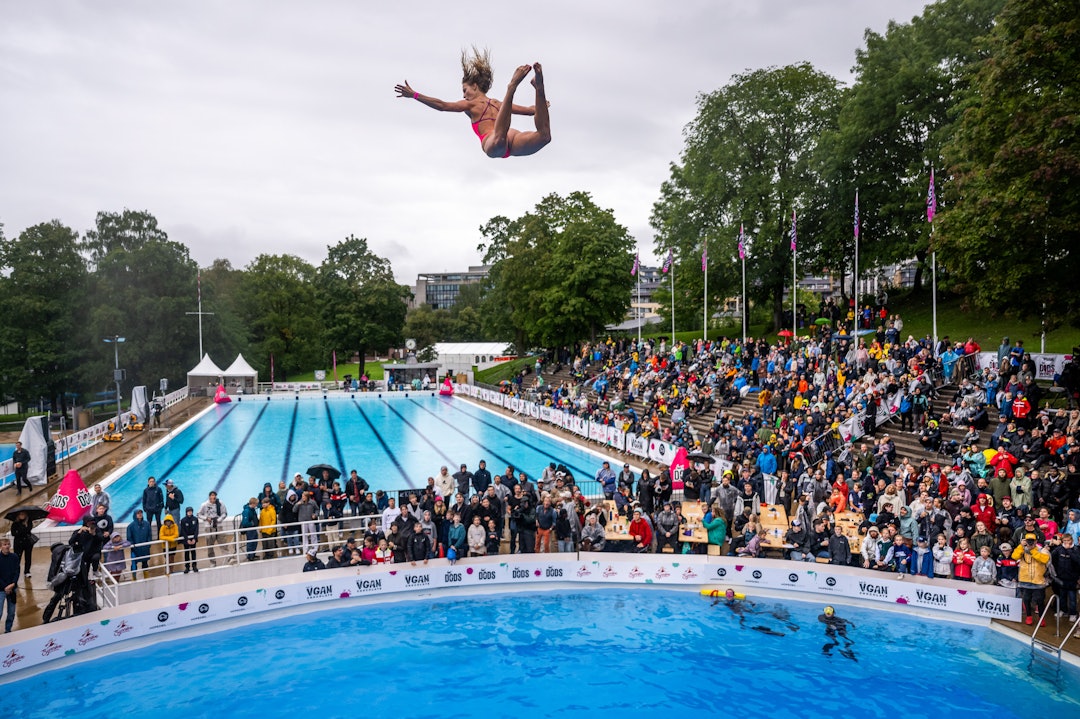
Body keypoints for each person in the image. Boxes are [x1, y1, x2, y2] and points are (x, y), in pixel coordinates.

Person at [396, 50, 550, 160]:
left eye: (465, 90)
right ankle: (519, 89)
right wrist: (415, 95)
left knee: (545, 137)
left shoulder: (488, 104)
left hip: (507, 140)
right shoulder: (488, 105)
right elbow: (442, 106)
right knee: (499, 137)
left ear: (475, 86)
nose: (463, 95)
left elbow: (532, 111)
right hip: (495, 140)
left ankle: (536, 87)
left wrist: (540, 99)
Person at [1012, 532, 1051, 625]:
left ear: (1036, 541)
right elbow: (1014, 556)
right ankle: (1029, 616)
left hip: (1038, 579)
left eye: (1032, 541)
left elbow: (1045, 559)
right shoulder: (1021, 549)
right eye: (1028, 541)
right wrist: (1021, 546)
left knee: (1040, 600)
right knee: (1026, 599)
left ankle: (1041, 617)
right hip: (1025, 579)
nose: (1030, 543)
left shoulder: (1042, 550)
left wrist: (1032, 551)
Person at [197, 491, 229, 566]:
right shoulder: (204, 505)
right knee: (210, 546)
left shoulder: (220, 503)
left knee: (223, 543)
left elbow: (225, 513)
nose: (213, 498)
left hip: (219, 526)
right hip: (209, 527)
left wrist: (218, 520)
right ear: (209, 497)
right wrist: (206, 518)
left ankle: (228, 559)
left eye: (214, 496)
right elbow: (198, 514)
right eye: (212, 496)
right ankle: (213, 562)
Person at [9, 510, 36, 578]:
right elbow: (13, 533)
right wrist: (23, 529)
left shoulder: (28, 521)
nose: (22, 515)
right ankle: (16, 572)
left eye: (23, 514)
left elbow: (28, 530)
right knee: (17, 558)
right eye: (20, 514)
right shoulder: (15, 523)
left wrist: (20, 530)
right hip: (18, 543)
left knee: (28, 557)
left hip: (28, 543)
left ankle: (27, 571)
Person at [127, 509, 153, 577]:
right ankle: (134, 578)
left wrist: (148, 544)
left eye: (141, 513)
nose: (140, 514)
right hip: (135, 549)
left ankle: (146, 577)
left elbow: (149, 535)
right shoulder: (131, 526)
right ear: (135, 515)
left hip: (145, 548)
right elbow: (129, 538)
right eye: (138, 513)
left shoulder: (147, 524)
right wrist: (133, 546)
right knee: (134, 564)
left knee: (145, 563)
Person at [0, 539, 19, 632]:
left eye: (8, 544)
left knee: (11, 612)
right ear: (1, 546)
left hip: (13, 588)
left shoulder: (14, 556)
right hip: (1, 589)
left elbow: (17, 571)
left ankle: (8, 630)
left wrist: (13, 584)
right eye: (4, 544)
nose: (7, 546)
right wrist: (5, 587)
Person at [178, 506, 200, 573]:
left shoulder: (195, 519)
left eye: (191, 511)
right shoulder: (183, 520)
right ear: (186, 512)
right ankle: (187, 567)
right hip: (186, 540)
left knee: (193, 552)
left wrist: (194, 538)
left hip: (193, 539)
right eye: (188, 511)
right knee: (186, 553)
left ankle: (194, 566)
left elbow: (197, 529)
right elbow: (182, 531)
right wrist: (187, 539)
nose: (189, 512)